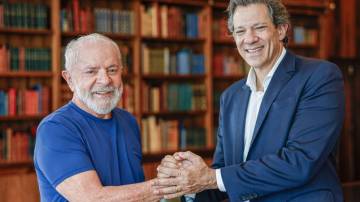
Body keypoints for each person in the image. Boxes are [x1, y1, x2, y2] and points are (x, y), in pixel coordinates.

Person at [153, 0, 345, 201]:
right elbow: (225, 172)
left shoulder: (319, 76)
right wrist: (185, 181)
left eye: (259, 28)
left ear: (281, 30)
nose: (249, 39)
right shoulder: (231, 97)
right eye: (240, 31)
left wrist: (210, 177)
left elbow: (300, 161)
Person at [34, 33, 162, 201]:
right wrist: (168, 186)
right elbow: (93, 199)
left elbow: (135, 189)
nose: (105, 80)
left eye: (112, 70)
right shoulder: (55, 129)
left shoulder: (129, 121)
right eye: (91, 71)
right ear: (69, 79)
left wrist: (171, 172)